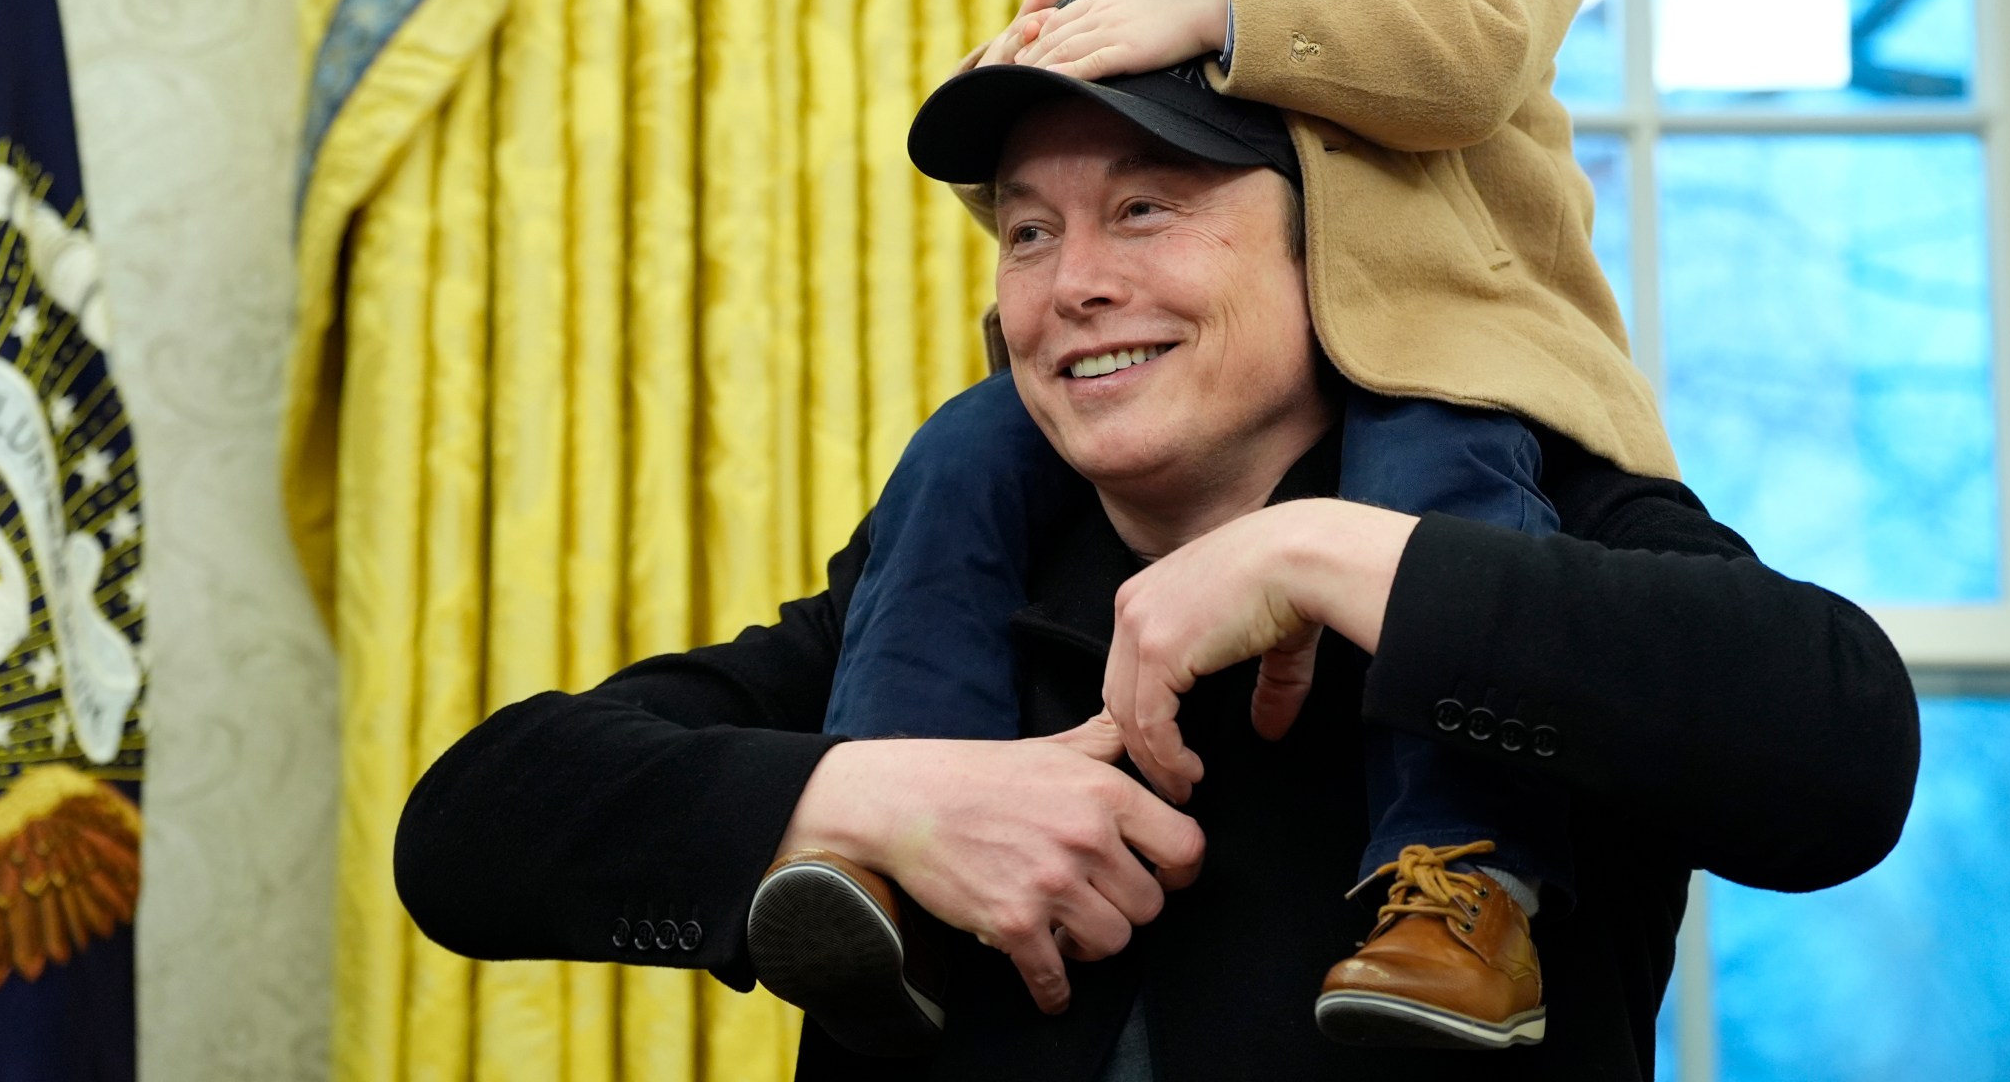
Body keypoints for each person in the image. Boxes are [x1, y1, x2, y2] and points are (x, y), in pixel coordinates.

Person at [391, 69, 1921, 1081]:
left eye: (1146, 207)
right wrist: (882, 800)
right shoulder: (945, 573)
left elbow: (1841, 752)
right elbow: (470, 830)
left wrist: (1322, 553)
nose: (1074, 286)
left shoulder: (1533, 515)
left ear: (1340, 253)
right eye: (1029, 232)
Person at [821, 0, 1671, 1051]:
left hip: (1436, 328)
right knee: (957, 460)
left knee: (1436, 497)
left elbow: (1473, 52)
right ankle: (897, 831)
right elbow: (1055, 161)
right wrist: (1011, 89)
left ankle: (1461, 887)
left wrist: (1223, 4)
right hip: (1213, 368)